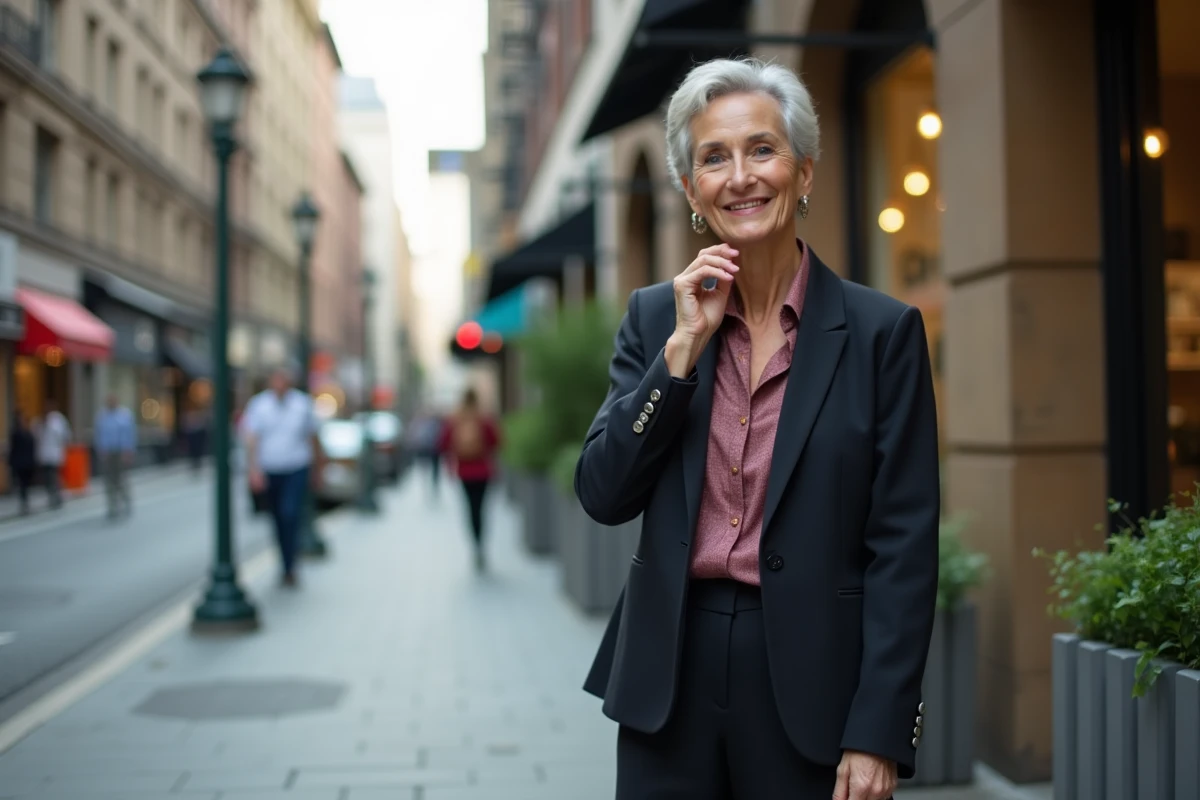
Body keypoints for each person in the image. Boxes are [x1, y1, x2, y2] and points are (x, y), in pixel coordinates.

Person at [574, 58, 940, 800]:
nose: (740, 176)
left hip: (813, 681)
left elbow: (903, 542)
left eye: (762, 150)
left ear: (804, 173)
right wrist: (679, 357)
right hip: (668, 675)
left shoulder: (881, 333)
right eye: (714, 157)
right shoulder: (656, 318)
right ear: (691, 192)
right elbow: (604, 494)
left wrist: (879, 730)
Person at [241, 366, 319, 588]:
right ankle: (285, 563)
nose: (280, 384)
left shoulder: (302, 404)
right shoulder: (259, 405)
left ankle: (290, 564)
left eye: (284, 379)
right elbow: (251, 438)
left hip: (296, 467)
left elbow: (312, 437)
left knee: (290, 513)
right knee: (277, 518)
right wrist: (253, 470)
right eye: (276, 379)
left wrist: (317, 469)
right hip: (270, 470)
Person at [438, 388, 500, 571]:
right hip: (483, 472)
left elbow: (444, 444)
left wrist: (450, 468)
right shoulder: (484, 418)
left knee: (470, 509)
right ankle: (481, 544)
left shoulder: (455, 419)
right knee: (481, 508)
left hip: (464, 472)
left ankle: (475, 544)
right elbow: (496, 442)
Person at [94, 394, 137, 519]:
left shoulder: (124, 415)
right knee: (109, 481)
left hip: (121, 452)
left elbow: (130, 434)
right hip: (108, 452)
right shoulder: (102, 416)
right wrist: (101, 450)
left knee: (121, 480)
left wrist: (129, 451)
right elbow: (99, 435)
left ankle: (125, 501)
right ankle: (112, 506)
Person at [34, 400, 71, 510]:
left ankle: (57, 495)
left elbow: (64, 435)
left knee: (54, 476)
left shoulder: (58, 420)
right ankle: (51, 495)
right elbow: (36, 436)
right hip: (44, 454)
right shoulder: (39, 421)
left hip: (55, 453)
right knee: (47, 477)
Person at [7, 411, 36, 515]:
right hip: (19, 463)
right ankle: (24, 503)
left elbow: (32, 448)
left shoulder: (29, 433)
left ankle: (25, 502)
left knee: (26, 484)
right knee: (22, 485)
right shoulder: (16, 434)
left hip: (28, 463)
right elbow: (13, 449)